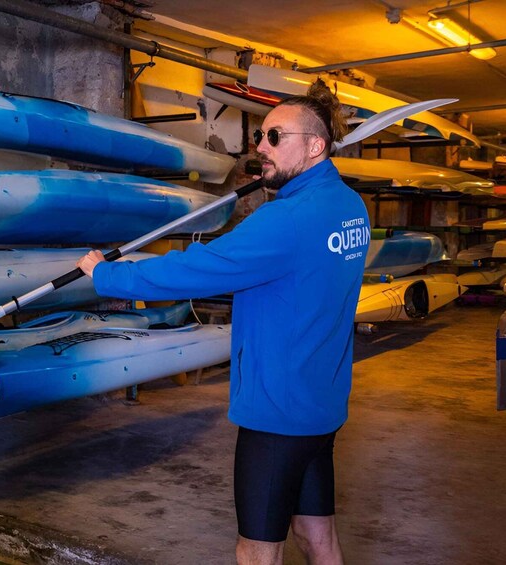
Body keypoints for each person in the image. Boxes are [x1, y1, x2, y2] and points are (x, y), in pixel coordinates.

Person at [77, 81, 368, 565]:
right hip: (322, 405)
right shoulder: (349, 207)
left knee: (256, 550)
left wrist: (108, 275)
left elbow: (195, 269)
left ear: (315, 146)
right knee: (318, 536)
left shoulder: (286, 221)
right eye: (260, 136)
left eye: (276, 138)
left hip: (278, 410)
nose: (261, 148)